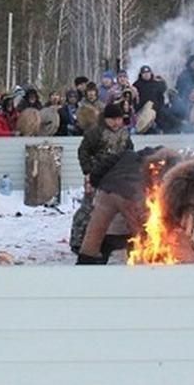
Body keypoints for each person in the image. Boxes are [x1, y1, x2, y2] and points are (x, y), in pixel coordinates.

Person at [72, 102, 134, 264]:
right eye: (112, 119)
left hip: (117, 179)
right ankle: (79, 241)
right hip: (96, 176)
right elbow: (83, 151)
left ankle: (111, 241)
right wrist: (88, 171)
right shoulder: (95, 133)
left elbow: (130, 154)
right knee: (88, 209)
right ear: (105, 119)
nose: (115, 122)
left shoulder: (125, 135)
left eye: (118, 119)